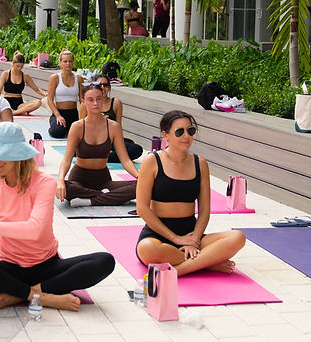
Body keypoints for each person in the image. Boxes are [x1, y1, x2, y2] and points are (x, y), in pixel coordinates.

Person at [0, 122, 116, 311]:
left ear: (18, 155)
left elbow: (34, 229)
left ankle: (21, 294)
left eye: (2, 155)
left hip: (47, 268)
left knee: (104, 261)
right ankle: (41, 297)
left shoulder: (44, 182)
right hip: (7, 270)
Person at [135, 110, 246, 276]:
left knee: (237, 237)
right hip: (158, 234)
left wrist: (194, 241)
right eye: (180, 132)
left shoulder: (200, 163)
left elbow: (204, 210)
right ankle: (206, 262)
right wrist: (176, 239)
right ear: (165, 135)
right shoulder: (152, 161)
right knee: (147, 249)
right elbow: (142, 208)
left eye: (190, 131)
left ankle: (179, 270)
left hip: (191, 234)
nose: (186, 136)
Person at [56, 82, 139, 207]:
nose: (95, 103)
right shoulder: (77, 127)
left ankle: (90, 200)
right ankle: (110, 197)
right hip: (79, 179)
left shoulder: (113, 127)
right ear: (83, 102)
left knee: (141, 186)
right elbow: (67, 159)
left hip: (103, 180)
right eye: (90, 100)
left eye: (99, 99)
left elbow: (126, 160)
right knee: (64, 188)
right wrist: (60, 180)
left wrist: (139, 176)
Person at [78, 73, 143, 162]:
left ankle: (103, 156)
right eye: (99, 85)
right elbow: (81, 129)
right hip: (92, 141)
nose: (102, 87)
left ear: (109, 87)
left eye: (105, 85)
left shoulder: (116, 103)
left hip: (111, 140)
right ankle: (104, 154)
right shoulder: (85, 104)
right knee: (77, 149)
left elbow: (118, 127)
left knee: (135, 148)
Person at [46, 50, 83, 138]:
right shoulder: (55, 78)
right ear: (60, 63)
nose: (68, 64)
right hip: (59, 112)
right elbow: (49, 100)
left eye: (70, 61)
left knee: (78, 134)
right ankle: (53, 125)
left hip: (73, 113)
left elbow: (82, 100)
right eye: (65, 61)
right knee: (58, 132)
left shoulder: (79, 78)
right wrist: (58, 115)